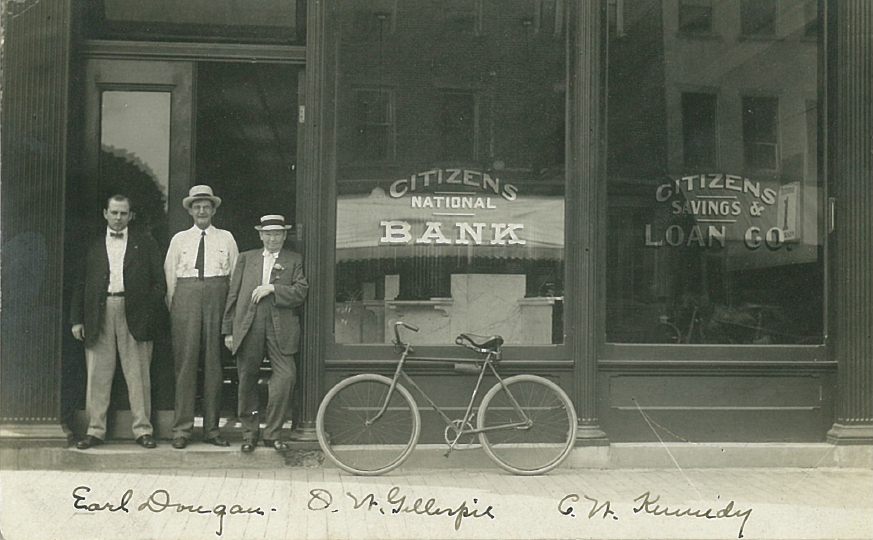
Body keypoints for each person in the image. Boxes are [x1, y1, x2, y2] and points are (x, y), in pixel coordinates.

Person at [70, 194, 166, 450]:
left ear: (130, 216)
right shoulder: (91, 245)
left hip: (134, 313)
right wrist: (77, 320)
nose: (118, 218)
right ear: (105, 213)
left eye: (123, 213)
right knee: (98, 375)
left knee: (138, 375)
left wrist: (145, 311)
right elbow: (79, 284)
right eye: (114, 212)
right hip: (98, 313)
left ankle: (143, 430)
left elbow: (160, 285)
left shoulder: (145, 244)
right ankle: (95, 430)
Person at [222, 214, 308, 452]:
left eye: (277, 234)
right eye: (268, 234)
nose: (273, 239)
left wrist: (273, 288)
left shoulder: (294, 259)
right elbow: (233, 295)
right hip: (249, 325)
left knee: (286, 375)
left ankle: (273, 432)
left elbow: (301, 291)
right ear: (260, 235)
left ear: (284, 236)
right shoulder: (246, 258)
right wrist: (228, 331)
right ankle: (249, 434)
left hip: (281, 326)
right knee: (247, 378)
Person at [165, 185, 239, 449]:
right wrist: (179, 309)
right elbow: (170, 279)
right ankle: (182, 430)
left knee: (214, 367)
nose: (202, 210)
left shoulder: (226, 238)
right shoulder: (179, 239)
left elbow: (234, 279)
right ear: (190, 210)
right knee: (185, 366)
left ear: (214, 209)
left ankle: (211, 429)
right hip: (186, 300)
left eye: (206, 206)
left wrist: (228, 313)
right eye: (197, 206)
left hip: (217, 299)